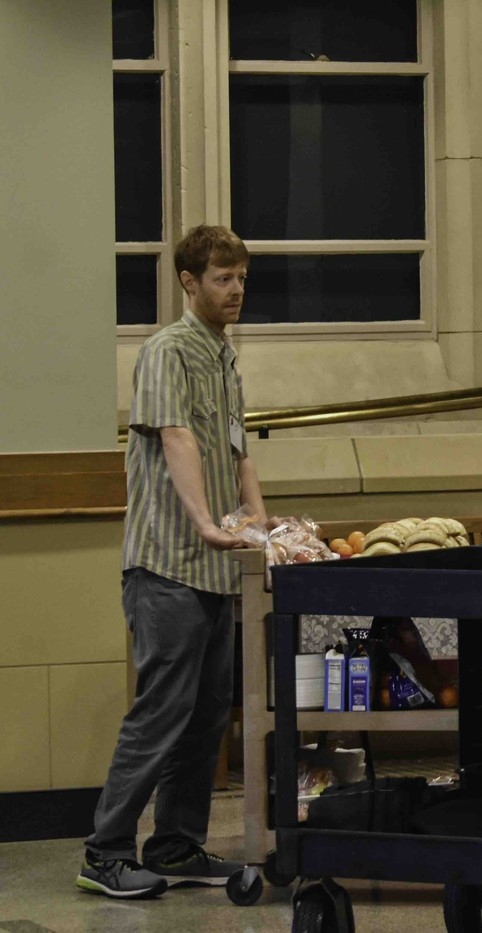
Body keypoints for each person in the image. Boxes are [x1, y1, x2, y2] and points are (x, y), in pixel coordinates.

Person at [79, 226, 266, 899]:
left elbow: (238, 451)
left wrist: (260, 522)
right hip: (167, 567)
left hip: (216, 569)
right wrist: (206, 524)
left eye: (241, 275)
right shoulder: (165, 351)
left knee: (209, 712)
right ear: (189, 282)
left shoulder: (223, 356)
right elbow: (179, 439)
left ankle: (176, 843)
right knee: (162, 709)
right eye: (223, 277)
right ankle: (104, 850)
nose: (236, 288)